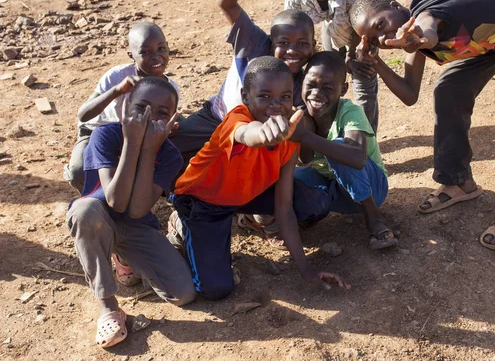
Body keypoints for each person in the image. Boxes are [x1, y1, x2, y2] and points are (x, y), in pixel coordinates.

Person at [349, 0, 495, 251]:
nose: (384, 39)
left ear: (398, 7)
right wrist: (377, 62)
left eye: (381, 24)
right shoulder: (412, 39)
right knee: (448, 90)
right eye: (375, 39)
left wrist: (421, 39)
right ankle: (458, 182)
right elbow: (409, 94)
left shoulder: (426, 19)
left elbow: (428, 30)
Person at [171, 56, 349, 300]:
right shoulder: (237, 120)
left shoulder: (289, 132)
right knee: (216, 290)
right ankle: (180, 226)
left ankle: (248, 218)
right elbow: (247, 134)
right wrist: (264, 134)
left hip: (247, 193)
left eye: (285, 97)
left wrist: (305, 269)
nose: (275, 105)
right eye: (264, 96)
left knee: (315, 203)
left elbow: (284, 207)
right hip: (203, 202)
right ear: (245, 97)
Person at [66, 77, 196, 349]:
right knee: (84, 210)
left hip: (137, 225)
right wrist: (132, 144)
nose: (150, 117)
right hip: (100, 217)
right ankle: (109, 308)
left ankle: (126, 255)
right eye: (142, 108)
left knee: (183, 294)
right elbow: (114, 201)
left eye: (162, 113)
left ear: (172, 120)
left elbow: (137, 210)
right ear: (126, 108)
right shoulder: (105, 136)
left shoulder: (170, 155)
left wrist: (148, 149)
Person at [171, 0, 315, 170]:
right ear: (270, 41)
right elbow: (226, 5)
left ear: (313, 46)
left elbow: (304, 128)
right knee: (169, 151)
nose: (292, 51)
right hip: (215, 120)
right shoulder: (254, 44)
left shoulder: (304, 82)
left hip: (258, 138)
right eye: (283, 43)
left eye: (302, 44)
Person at [292, 52, 398, 250]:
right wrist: (306, 127)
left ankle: (374, 218)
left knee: (342, 147)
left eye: (328, 88)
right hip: (337, 189)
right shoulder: (302, 116)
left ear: (343, 89)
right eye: (311, 85)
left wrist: (306, 137)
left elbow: (357, 158)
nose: (316, 93)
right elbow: (305, 159)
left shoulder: (350, 112)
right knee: (287, 176)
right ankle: (311, 213)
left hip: (372, 189)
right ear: (302, 83)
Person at [64, 22, 179, 192]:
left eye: (161, 48)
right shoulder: (118, 76)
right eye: (145, 52)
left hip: (136, 136)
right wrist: (117, 90)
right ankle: (97, 196)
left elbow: (162, 121)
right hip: (97, 132)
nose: (155, 56)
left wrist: (169, 127)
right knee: (78, 173)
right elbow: (84, 115)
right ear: (131, 55)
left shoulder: (169, 89)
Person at [284, 0, 383, 133]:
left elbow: (361, 29)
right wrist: (312, 58)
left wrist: (351, 57)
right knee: (327, 78)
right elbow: (296, 34)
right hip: (331, 23)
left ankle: (365, 141)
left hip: (366, 28)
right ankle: (333, 136)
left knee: (362, 77)